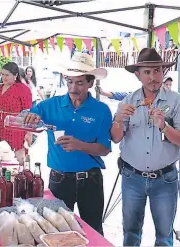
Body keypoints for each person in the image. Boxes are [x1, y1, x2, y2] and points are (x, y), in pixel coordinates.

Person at [22, 53, 112, 235]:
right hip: (59, 179)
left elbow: (104, 149)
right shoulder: (49, 105)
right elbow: (27, 116)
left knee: (93, 231)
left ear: (90, 83)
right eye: (70, 81)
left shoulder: (101, 110)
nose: (73, 88)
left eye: (79, 82)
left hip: (90, 180)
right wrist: (30, 117)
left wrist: (79, 145)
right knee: (57, 232)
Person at [111, 48, 180, 246]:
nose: (153, 77)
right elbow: (115, 138)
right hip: (132, 177)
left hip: (165, 179)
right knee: (130, 233)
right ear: (138, 75)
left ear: (163, 72)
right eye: (147, 72)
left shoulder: (176, 101)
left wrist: (164, 125)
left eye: (157, 71)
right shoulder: (127, 102)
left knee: (164, 236)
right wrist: (119, 119)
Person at [0, 62, 32, 162]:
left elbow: (29, 112)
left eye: (7, 75)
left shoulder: (23, 89)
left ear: (15, 75)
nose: (4, 77)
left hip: (16, 129)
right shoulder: (0, 88)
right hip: (0, 127)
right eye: (2, 74)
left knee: (17, 158)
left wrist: (29, 133)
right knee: (0, 156)